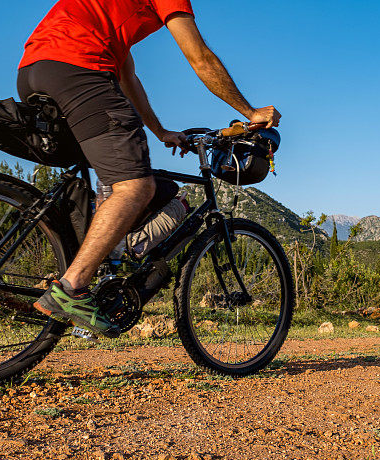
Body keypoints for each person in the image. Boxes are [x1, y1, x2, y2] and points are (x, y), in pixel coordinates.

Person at [17, 0, 281, 337]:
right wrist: (250, 111)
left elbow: (127, 77)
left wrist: (160, 131)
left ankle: (94, 268)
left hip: (34, 70)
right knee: (136, 187)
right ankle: (72, 287)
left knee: (111, 178)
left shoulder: (109, 15)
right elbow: (200, 57)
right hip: (79, 68)